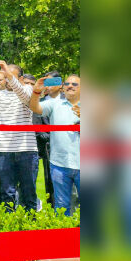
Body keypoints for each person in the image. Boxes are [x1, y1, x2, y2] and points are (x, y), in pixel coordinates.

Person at [0, 60, 39, 212]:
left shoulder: (28, 89)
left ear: (21, 79)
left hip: (26, 150)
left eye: (10, 76)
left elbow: (24, 97)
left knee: (28, 192)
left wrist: (7, 72)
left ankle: (31, 229)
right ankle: (10, 229)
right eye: (5, 76)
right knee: (7, 193)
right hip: (3, 150)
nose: (7, 79)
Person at [29, 74, 80, 216]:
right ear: (63, 87)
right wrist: (36, 91)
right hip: (59, 165)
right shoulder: (54, 104)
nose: (70, 86)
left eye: (74, 84)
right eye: (67, 83)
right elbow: (34, 107)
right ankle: (65, 237)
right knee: (62, 207)